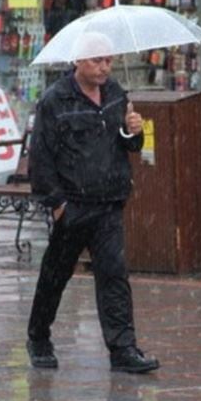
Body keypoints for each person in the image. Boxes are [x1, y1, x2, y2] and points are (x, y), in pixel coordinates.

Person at [25, 32, 160, 374]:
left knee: (114, 276)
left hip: (109, 201)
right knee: (56, 274)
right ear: (78, 62)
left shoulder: (116, 93)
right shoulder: (56, 100)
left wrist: (134, 130)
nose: (104, 67)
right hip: (73, 204)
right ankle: (39, 337)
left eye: (109, 60)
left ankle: (123, 348)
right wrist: (57, 204)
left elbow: (130, 146)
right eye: (97, 61)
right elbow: (41, 156)